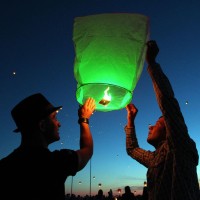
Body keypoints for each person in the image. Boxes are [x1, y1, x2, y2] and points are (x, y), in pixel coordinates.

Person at [124, 41, 200, 200]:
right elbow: (132, 149)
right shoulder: (155, 158)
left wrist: (151, 64)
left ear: (170, 130)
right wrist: (130, 120)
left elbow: (168, 104)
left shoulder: (180, 146)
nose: (150, 126)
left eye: (157, 123)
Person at [0, 93, 96, 200]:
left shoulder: (4, 166)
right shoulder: (55, 162)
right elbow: (87, 150)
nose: (59, 124)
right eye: (54, 117)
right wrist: (84, 118)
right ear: (42, 125)